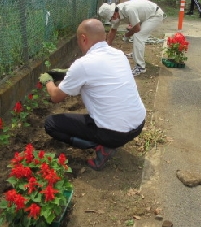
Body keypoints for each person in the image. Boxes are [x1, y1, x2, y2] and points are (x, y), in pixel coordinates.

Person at [39, 19, 146, 171]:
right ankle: (108, 141)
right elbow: (94, 72)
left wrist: (48, 80)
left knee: (51, 123)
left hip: (115, 134)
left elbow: (56, 97)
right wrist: (65, 74)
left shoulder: (83, 64)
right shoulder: (118, 54)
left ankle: (102, 147)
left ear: (83, 38)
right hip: (138, 124)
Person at [98, 0, 165, 76]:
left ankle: (140, 67)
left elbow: (137, 28)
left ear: (115, 12)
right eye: (110, 19)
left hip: (155, 15)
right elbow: (113, 31)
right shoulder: (117, 13)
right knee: (136, 34)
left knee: (138, 35)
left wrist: (127, 35)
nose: (112, 19)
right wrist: (106, 49)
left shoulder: (129, 10)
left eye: (112, 17)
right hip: (146, 16)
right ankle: (135, 54)